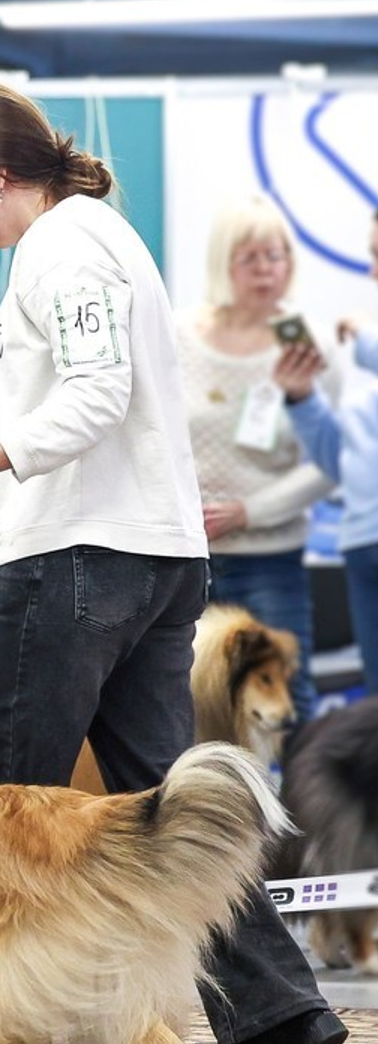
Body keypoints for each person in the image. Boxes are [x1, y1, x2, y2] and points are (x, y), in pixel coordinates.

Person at [0, 79, 347, 1044]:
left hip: (76, 562)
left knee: (3, 807)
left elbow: (98, 391)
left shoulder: (62, 246)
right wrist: (0, 432)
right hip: (147, 556)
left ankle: (11, 1043)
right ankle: (278, 1010)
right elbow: (98, 395)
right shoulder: (96, 238)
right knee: (167, 810)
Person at [177, 194, 337, 725]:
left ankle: (302, 788)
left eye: (277, 255)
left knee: (290, 701)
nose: (267, 270)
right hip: (185, 556)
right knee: (187, 701)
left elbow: (331, 460)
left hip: (270, 556)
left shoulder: (304, 344)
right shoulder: (180, 336)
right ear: (223, 262)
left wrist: (250, 511)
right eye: (251, 258)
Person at [274, 206, 378, 695]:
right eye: (372, 254)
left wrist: (367, 340)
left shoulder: (366, 341)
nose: (373, 271)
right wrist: (303, 399)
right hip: (362, 542)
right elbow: (341, 459)